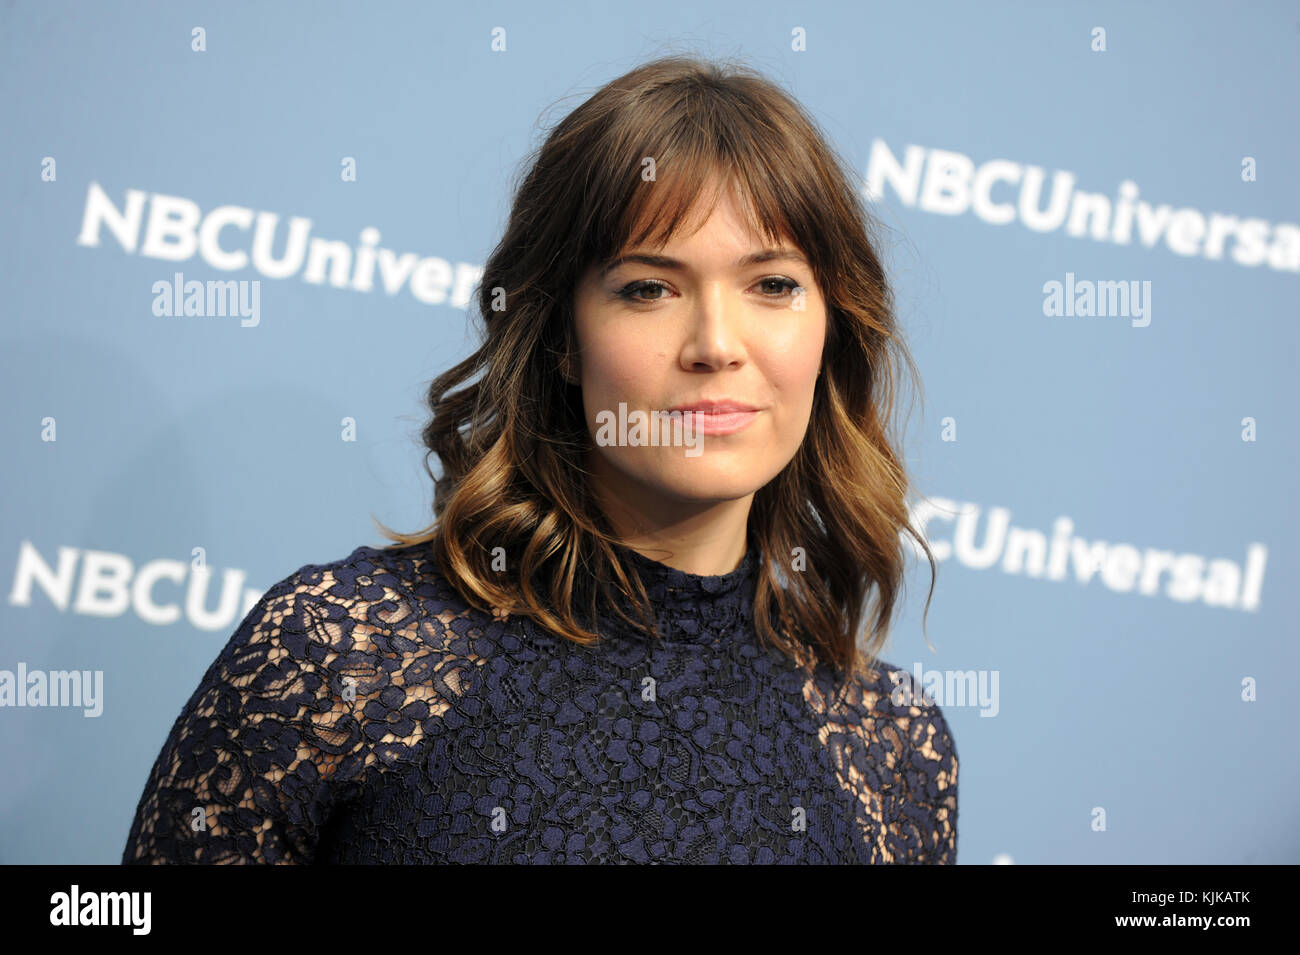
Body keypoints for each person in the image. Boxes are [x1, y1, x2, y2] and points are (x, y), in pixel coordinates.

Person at [121, 54, 957, 864]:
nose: (715, 344)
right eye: (648, 287)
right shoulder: (342, 654)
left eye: (772, 284)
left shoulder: (893, 751)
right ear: (561, 336)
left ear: (832, 327)